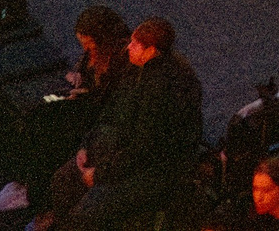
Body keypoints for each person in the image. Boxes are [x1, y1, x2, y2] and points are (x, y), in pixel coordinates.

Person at [63, 17, 204, 229]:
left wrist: (101, 174)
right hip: (129, 153)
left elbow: (143, 149)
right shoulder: (139, 71)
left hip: (158, 171)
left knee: (86, 213)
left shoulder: (158, 91)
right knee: (65, 179)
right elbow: (114, 111)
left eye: (135, 44)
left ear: (151, 50)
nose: (128, 47)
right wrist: (87, 143)